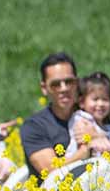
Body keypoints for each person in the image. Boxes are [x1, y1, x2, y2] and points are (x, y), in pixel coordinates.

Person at [19, 52, 79, 182]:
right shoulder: (34, 127)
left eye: (69, 82)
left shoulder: (93, 115)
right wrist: (84, 151)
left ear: (77, 82)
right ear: (44, 88)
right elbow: (50, 171)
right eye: (56, 84)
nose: (64, 88)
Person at [65, 71, 110, 161]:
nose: (100, 104)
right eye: (95, 99)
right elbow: (84, 145)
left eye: (105, 99)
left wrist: (97, 136)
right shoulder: (82, 119)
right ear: (82, 102)